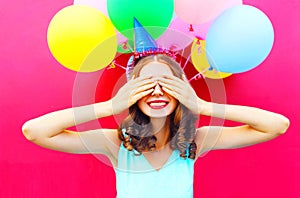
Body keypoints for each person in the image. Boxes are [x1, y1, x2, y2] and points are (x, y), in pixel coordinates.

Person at [22, 18, 290, 198]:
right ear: (132, 95)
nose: (158, 91)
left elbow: (277, 126)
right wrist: (109, 106)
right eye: (147, 84)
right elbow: (35, 131)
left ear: (180, 92)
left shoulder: (194, 142)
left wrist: (202, 105)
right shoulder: (117, 144)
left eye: (167, 83)